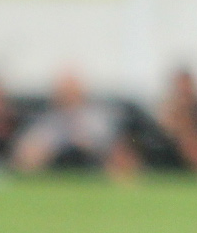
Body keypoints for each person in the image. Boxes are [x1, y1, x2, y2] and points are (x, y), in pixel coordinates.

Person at [9, 70, 138, 177]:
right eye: (64, 92)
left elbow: (121, 153)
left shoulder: (98, 120)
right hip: (53, 177)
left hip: (96, 174)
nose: (69, 97)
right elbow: (23, 157)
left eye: (72, 92)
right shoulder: (46, 123)